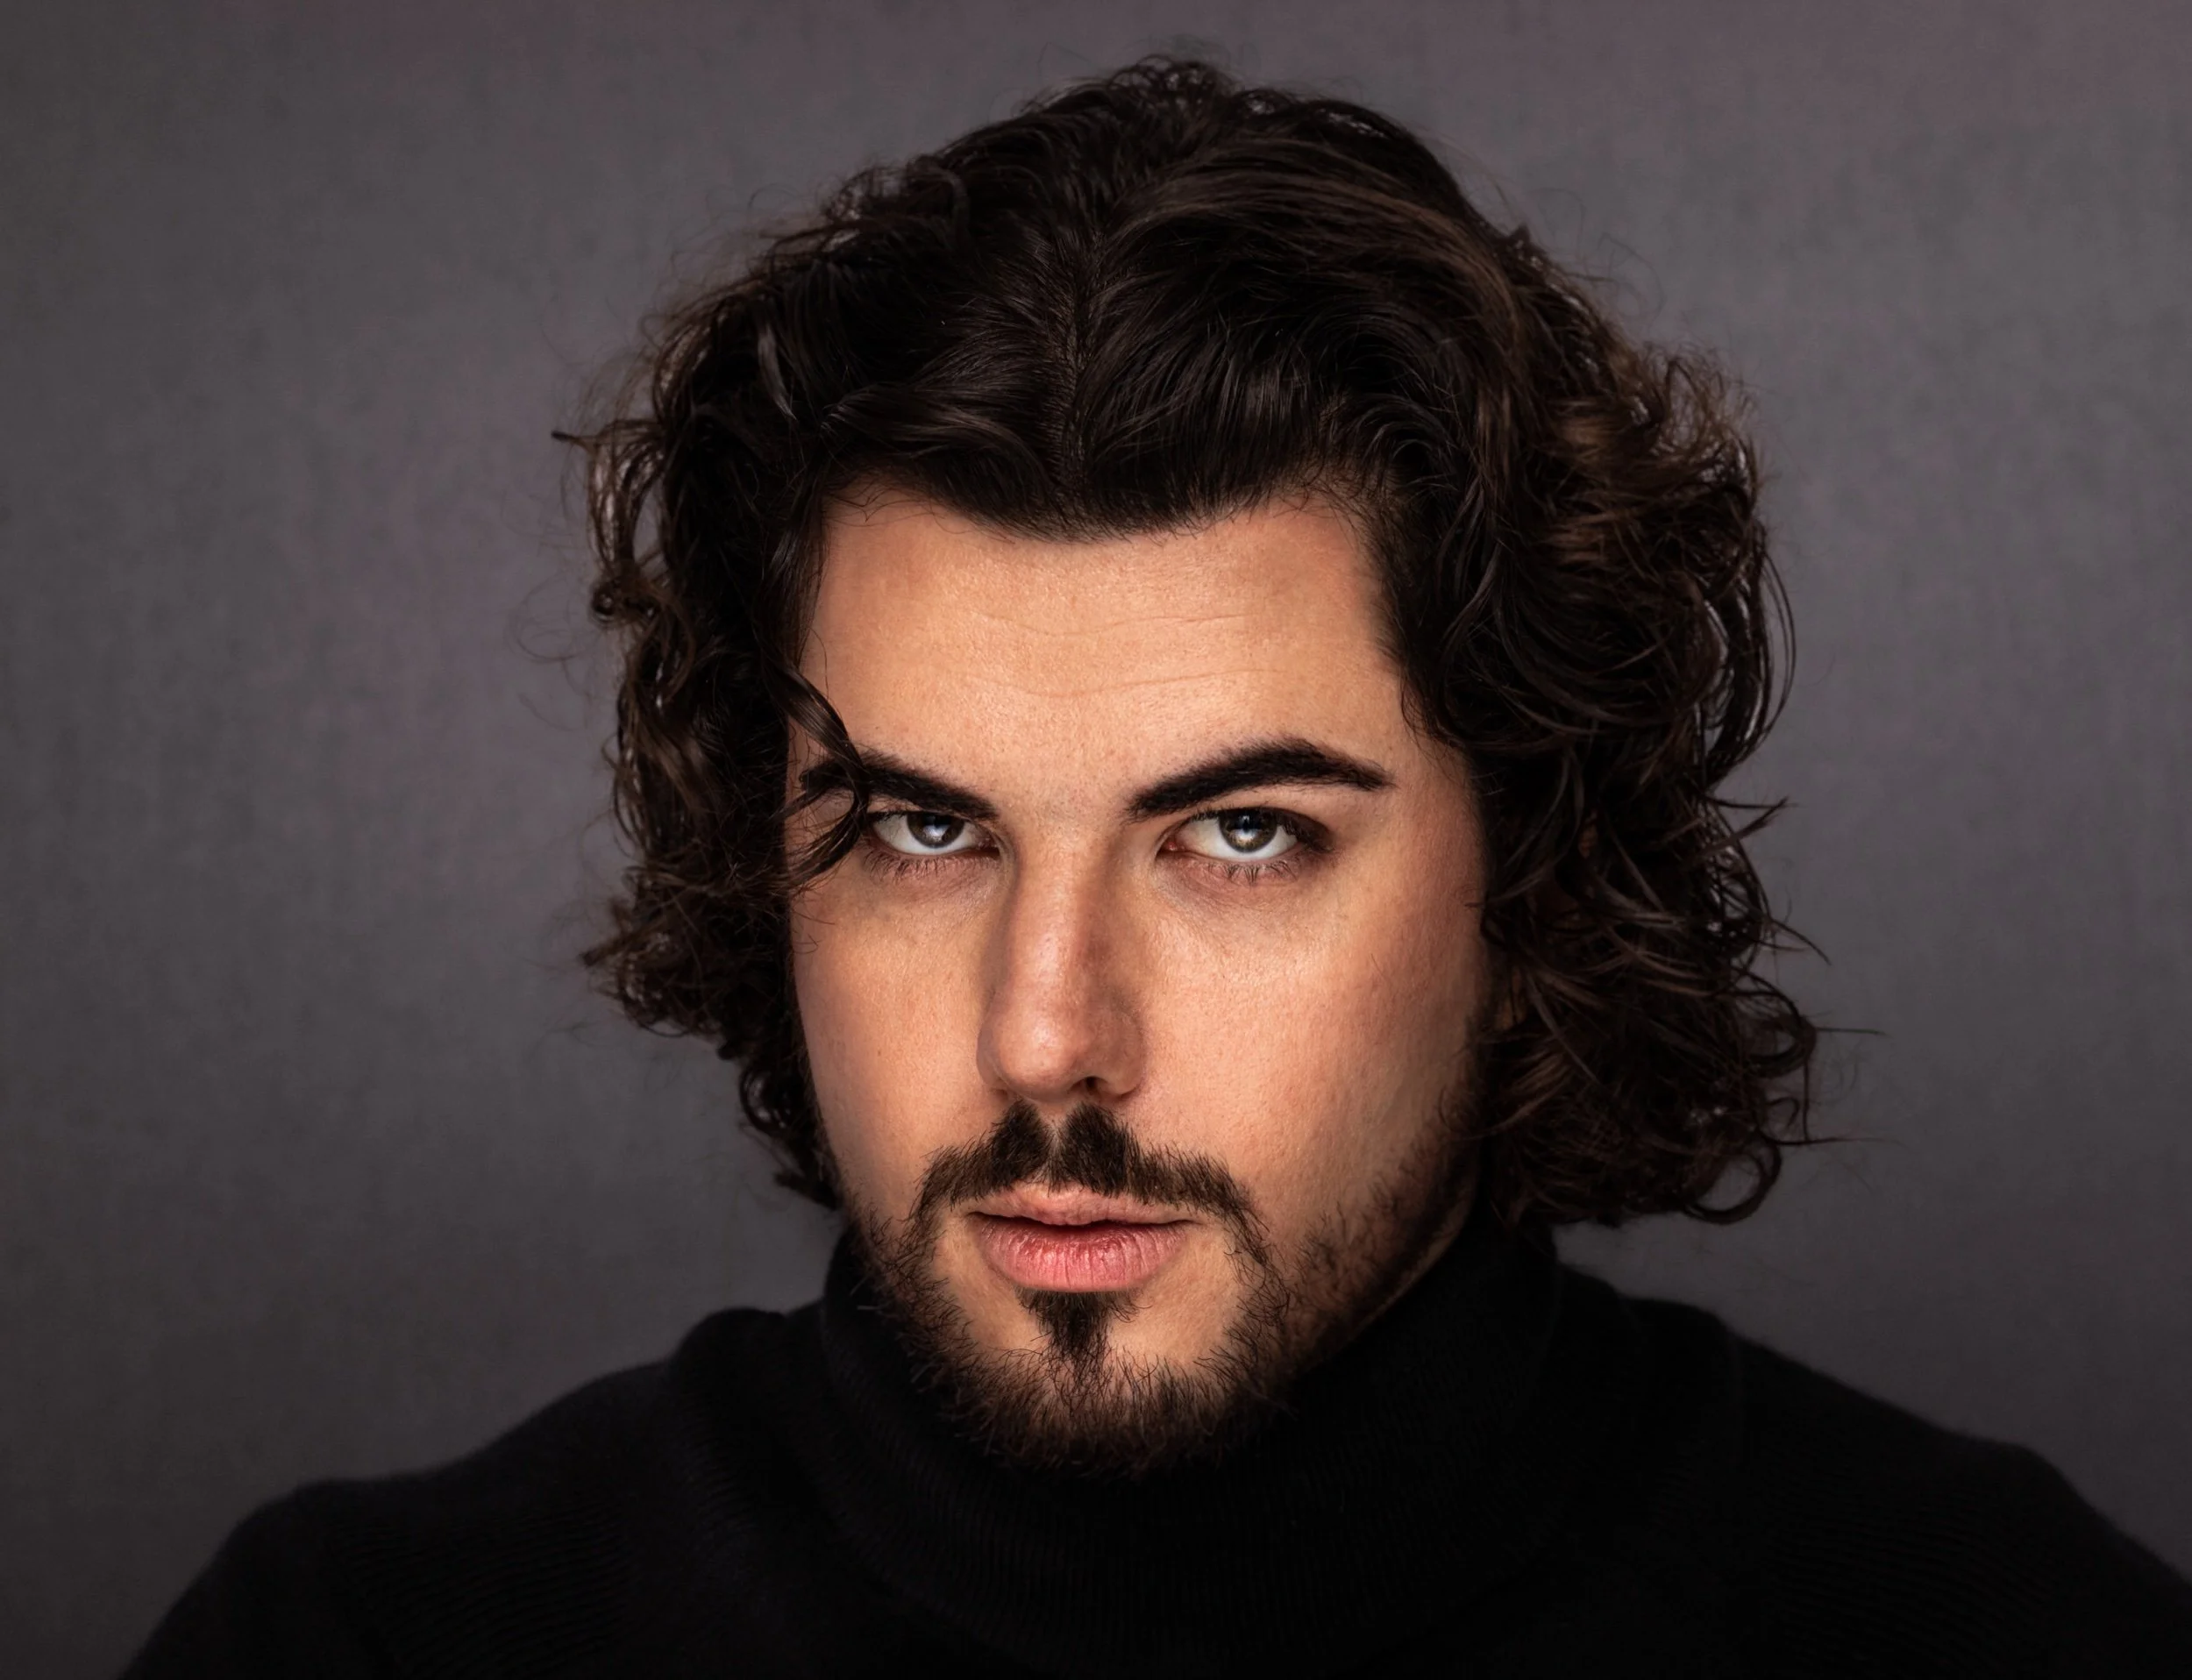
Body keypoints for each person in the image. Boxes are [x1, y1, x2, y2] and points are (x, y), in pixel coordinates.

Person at [128, 58, 2192, 1676]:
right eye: (924, 827)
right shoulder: (367, 1642)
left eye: (1239, 835)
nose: (1047, 1037)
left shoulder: (1989, 1633)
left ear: (1535, 884)